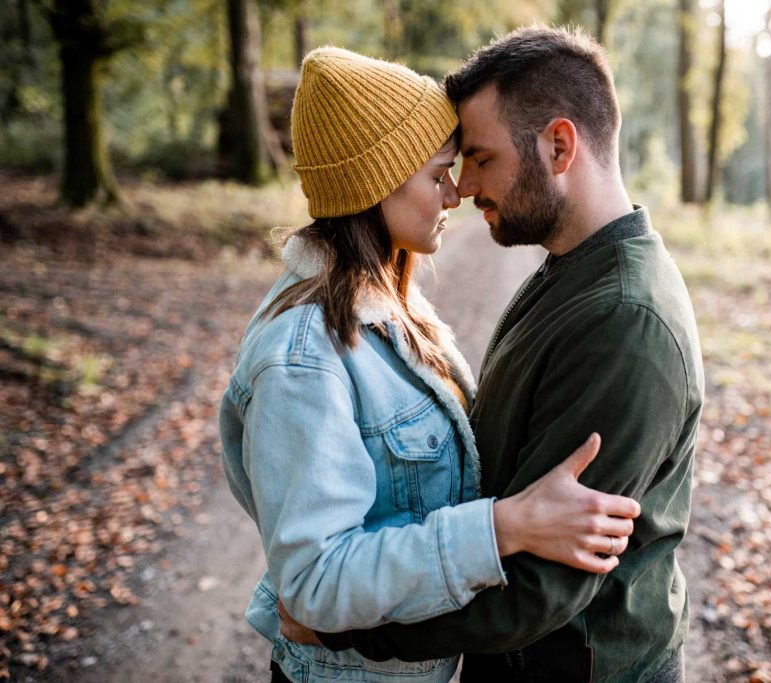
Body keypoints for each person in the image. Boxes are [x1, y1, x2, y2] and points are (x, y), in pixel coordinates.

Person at [284, 26, 706, 683]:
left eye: (480, 157)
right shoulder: (569, 272)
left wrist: (351, 626)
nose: (465, 185)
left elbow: (539, 589)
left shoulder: (625, 321)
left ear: (559, 145)